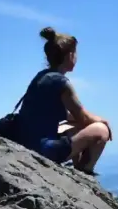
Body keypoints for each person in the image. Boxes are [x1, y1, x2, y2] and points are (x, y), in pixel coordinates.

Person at [16, 27, 111, 175]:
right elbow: (82, 116)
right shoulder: (61, 82)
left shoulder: (42, 77)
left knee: (74, 127)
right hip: (43, 149)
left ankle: (79, 167)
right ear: (70, 55)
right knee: (100, 130)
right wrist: (103, 121)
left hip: (25, 140)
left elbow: (65, 115)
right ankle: (85, 172)